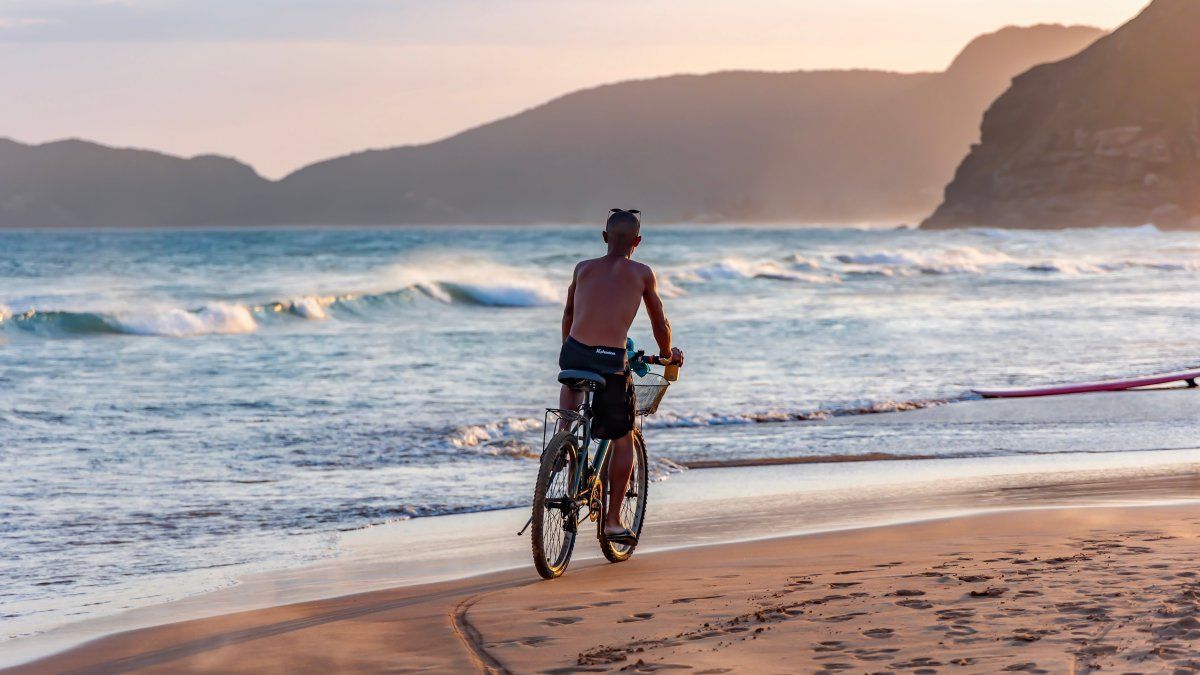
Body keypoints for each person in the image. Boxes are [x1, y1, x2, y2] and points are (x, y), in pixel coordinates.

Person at [558, 208, 683, 544]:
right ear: (638, 242)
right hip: (610, 361)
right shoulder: (642, 273)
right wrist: (668, 352)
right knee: (623, 435)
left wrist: (571, 350)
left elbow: (569, 313)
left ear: (604, 237)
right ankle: (613, 521)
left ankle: (562, 440)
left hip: (573, 352)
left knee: (572, 386)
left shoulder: (582, 268)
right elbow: (660, 322)